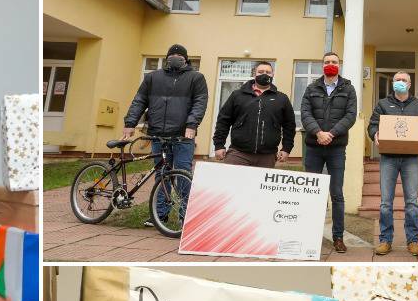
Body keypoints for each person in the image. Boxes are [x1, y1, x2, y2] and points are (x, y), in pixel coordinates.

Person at [123, 42, 208, 225]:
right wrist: (130, 123)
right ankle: (159, 215)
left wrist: (192, 125)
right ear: (167, 59)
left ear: (186, 60)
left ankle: (186, 217)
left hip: (183, 137)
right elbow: (139, 100)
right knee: (162, 175)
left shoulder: (196, 78)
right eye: (171, 56)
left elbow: (200, 102)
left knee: (183, 175)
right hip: (158, 136)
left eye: (179, 57)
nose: (175, 59)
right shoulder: (153, 77)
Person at [367, 71, 418, 255]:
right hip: (388, 157)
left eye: (404, 80)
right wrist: (375, 134)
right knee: (385, 203)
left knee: (411, 202)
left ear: (410, 84)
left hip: (411, 158)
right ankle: (385, 240)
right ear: (393, 83)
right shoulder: (383, 104)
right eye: (397, 80)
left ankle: (413, 240)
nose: (400, 82)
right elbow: (373, 124)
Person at [299, 50, 359, 253]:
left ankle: (338, 237)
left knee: (337, 194)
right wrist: (318, 132)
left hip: (336, 148)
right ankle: (309, 235)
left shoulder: (349, 89)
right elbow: (305, 113)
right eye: (327, 62)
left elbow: (350, 116)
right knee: (312, 193)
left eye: (334, 61)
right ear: (322, 65)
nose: (330, 64)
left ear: (339, 65)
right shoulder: (311, 88)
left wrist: (331, 134)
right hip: (313, 148)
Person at [213, 61, 296, 168]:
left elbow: (289, 126)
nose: (264, 74)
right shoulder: (237, 95)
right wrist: (219, 145)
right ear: (254, 74)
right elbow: (223, 121)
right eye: (260, 72)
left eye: (268, 72)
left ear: (273, 75)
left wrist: (286, 148)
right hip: (238, 154)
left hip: (267, 157)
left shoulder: (282, 98)